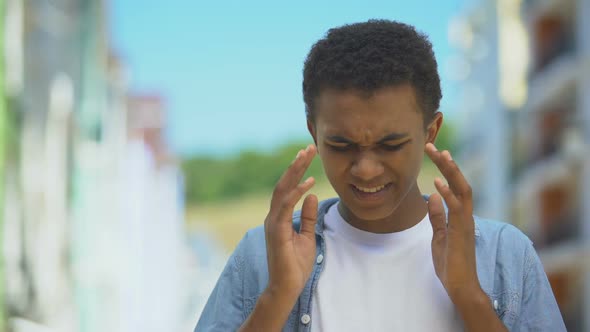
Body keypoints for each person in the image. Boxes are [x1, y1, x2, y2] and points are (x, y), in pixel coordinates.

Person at [194, 19, 566, 331]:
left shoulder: (506, 255)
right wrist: (276, 297)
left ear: (430, 132)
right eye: (341, 145)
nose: (366, 169)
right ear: (314, 135)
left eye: (391, 145)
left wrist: (469, 294)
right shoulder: (261, 255)